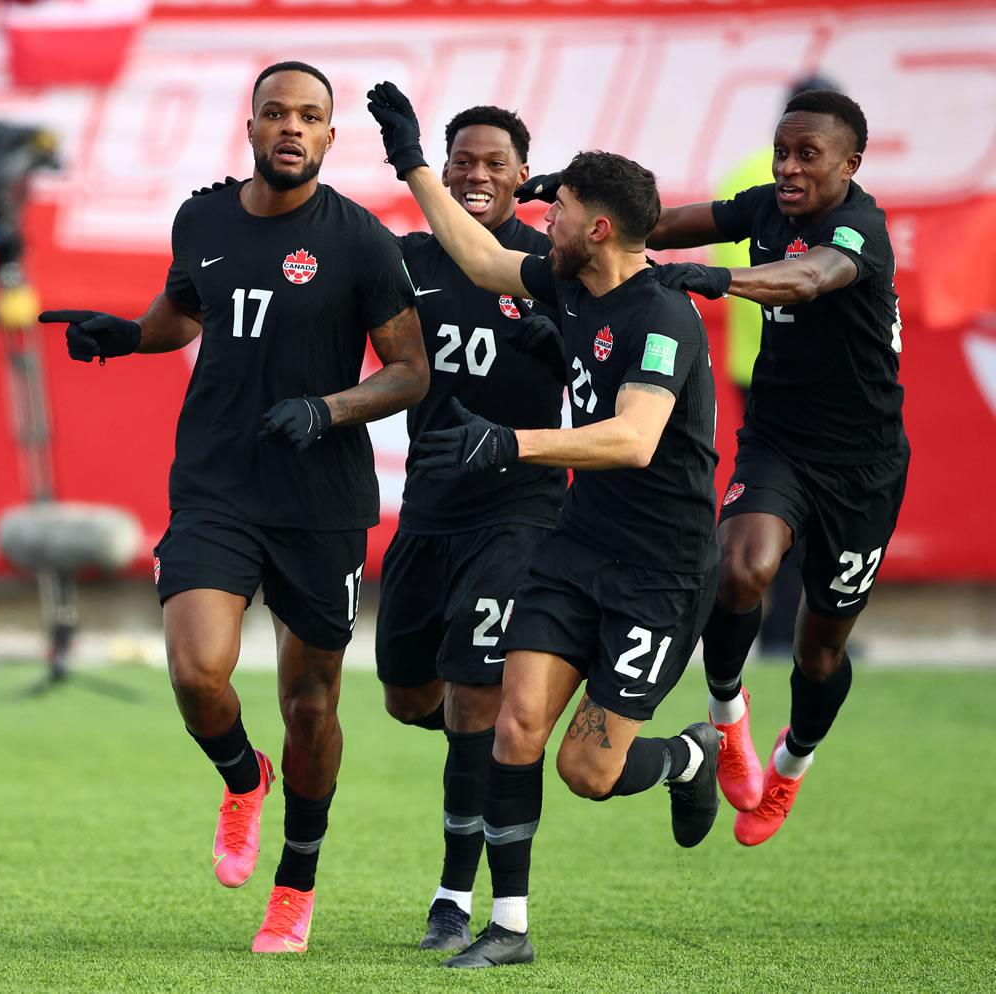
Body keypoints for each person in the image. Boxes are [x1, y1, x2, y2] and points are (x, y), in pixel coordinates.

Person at [40, 62, 428, 955]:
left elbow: (412, 372)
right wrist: (130, 335)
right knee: (197, 672)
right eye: (276, 113)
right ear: (249, 125)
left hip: (321, 501)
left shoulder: (365, 242)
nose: (292, 127)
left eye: (311, 117)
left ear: (332, 138)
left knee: (310, 706)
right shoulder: (202, 218)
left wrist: (327, 410)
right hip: (216, 483)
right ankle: (240, 777)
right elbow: (185, 311)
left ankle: (294, 886)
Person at [367, 81, 722, 969]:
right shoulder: (567, 288)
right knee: (513, 727)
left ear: (596, 228)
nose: (539, 219)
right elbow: (481, 260)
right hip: (574, 551)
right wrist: (413, 163)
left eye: (553, 208)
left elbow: (635, 440)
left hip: (660, 570)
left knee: (585, 772)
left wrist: (509, 443)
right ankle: (509, 929)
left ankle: (687, 756)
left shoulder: (662, 317)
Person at [646, 89, 908, 846]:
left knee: (820, 647)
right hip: (780, 442)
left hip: (865, 470)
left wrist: (716, 280)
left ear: (850, 164)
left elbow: (807, 279)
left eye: (807, 155)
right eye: (781, 151)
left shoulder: (861, 229)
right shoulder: (766, 207)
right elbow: (660, 224)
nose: (788, 168)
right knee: (738, 568)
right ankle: (729, 721)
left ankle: (791, 769)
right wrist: (581, 201)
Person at [374, 105, 566, 952]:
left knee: (474, 703)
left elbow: (613, 357)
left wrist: (568, 343)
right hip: (428, 509)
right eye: (462, 162)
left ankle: (453, 897)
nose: (477, 175)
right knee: (410, 696)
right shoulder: (406, 261)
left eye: (495, 162)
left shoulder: (551, 267)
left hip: (518, 510)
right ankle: (488, 731)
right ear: (443, 172)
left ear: (524, 174)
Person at [712, 74, 839, 656]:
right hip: (785, 374)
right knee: (793, 503)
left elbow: (727, 265)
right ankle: (786, 628)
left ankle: (781, 629)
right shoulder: (785, 187)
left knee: (778, 502)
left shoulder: (749, 176)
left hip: (754, 363)